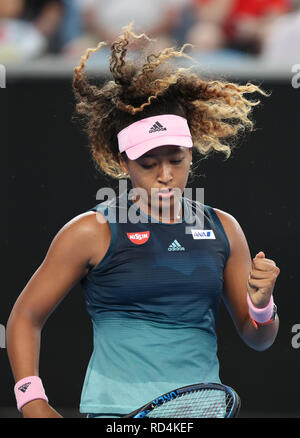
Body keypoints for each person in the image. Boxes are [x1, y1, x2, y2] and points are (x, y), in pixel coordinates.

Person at [6, 23, 280, 418]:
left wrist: (262, 306)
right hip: (115, 414)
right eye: (148, 164)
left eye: (176, 160)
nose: (165, 175)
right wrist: (31, 401)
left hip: (201, 413)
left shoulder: (225, 229)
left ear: (191, 154)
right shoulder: (90, 232)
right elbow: (25, 317)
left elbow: (259, 340)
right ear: (123, 162)